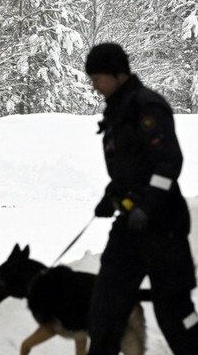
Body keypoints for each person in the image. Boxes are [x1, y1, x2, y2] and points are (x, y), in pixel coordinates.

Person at [86, 43, 198, 354]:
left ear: (118, 74)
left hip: (164, 225)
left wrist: (147, 206)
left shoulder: (148, 107)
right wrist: (112, 197)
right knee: (105, 306)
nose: (94, 85)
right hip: (130, 225)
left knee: (174, 312)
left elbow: (168, 163)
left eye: (98, 77)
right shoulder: (117, 112)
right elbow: (129, 167)